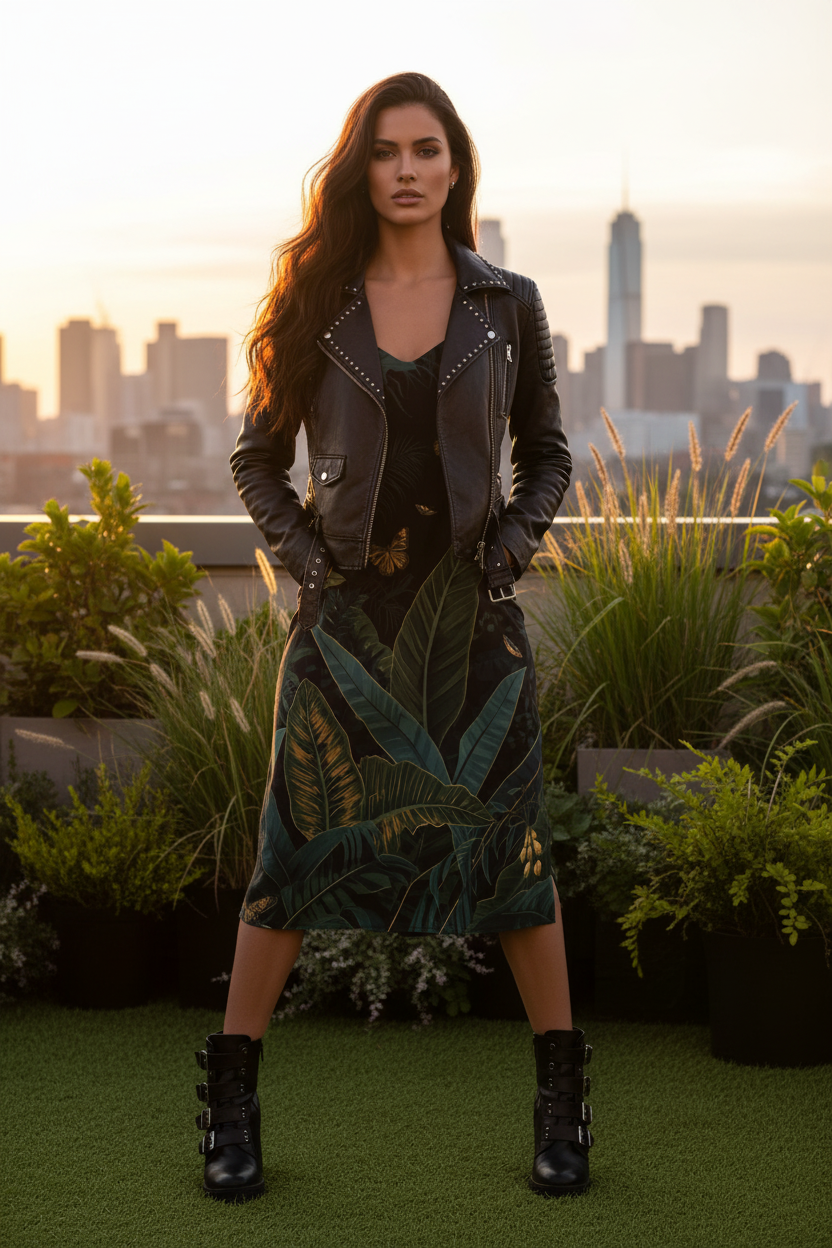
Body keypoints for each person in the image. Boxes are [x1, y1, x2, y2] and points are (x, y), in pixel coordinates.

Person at [192, 71, 594, 1204]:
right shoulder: (317, 303)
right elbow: (255, 462)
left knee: (512, 855)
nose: (407, 169)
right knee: (292, 856)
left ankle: (563, 1110)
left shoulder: (507, 305)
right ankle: (231, 1104)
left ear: (455, 167)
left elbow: (547, 452)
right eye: (385, 151)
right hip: (347, 628)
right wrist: (314, 566)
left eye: (427, 149)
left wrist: (509, 550)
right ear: (359, 168)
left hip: (476, 623)